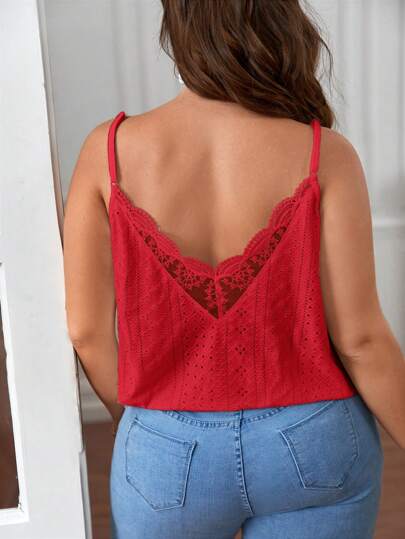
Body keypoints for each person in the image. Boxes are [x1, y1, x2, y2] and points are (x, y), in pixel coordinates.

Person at [63, 1, 405, 537]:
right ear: (281, 26)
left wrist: (152, 430)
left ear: (177, 30)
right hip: (312, 441)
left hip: (168, 451)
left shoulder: (108, 151)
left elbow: (86, 332)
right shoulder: (324, 154)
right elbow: (360, 340)